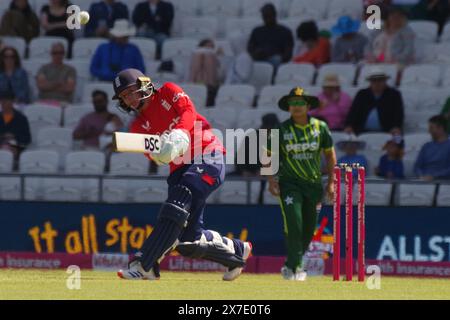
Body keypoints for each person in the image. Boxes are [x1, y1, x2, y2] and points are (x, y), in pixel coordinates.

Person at [112, 68, 252, 281]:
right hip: (178, 168)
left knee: (179, 200)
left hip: (207, 154)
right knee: (189, 241)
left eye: (130, 92)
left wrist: (179, 133)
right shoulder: (138, 126)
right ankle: (237, 250)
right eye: (123, 97)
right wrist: (159, 156)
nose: (129, 100)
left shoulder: (168, 90)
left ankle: (145, 264)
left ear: (143, 85)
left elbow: (188, 111)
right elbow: (152, 155)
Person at [265, 87, 337, 280]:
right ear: (288, 107)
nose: (296, 107)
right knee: (295, 223)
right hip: (289, 184)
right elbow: (268, 156)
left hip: (314, 185)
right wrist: (271, 180)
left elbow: (330, 156)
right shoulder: (281, 129)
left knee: (308, 228)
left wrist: (331, 182)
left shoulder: (320, 127)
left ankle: (290, 265)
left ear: (308, 106)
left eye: (300, 103)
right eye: (293, 103)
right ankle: (298, 268)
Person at [344, 68, 404, 135]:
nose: (377, 83)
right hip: (361, 131)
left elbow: (399, 113)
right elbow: (353, 111)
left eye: (380, 80)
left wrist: (396, 127)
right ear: (370, 82)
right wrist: (349, 125)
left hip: (387, 131)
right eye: (374, 81)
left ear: (385, 81)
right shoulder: (362, 94)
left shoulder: (394, 94)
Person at [247, 3, 294, 69]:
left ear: (275, 14)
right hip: (258, 58)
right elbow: (250, 48)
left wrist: (272, 54)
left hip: (275, 60)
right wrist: (256, 53)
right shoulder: (257, 31)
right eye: (265, 16)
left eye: (269, 15)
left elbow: (288, 54)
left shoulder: (285, 31)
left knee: (276, 59)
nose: (267, 18)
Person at [188, 39, 224, 107]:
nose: (209, 50)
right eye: (207, 47)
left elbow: (222, 75)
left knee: (208, 57)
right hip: (197, 84)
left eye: (212, 48)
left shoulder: (214, 59)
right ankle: (192, 85)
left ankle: (208, 86)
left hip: (211, 86)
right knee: (199, 56)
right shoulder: (196, 57)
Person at [414, 115, 450, 181]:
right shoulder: (426, 146)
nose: (429, 131)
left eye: (431, 128)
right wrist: (421, 175)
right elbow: (417, 167)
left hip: (443, 182)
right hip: (423, 180)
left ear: (440, 128)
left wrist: (434, 176)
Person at [0, 89, 31, 164]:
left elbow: (27, 138)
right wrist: (3, 136)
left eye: (6, 101)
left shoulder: (21, 119)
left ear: (12, 102)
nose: (3, 103)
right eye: (2, 101)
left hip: (15, 148)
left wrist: (14, 137)